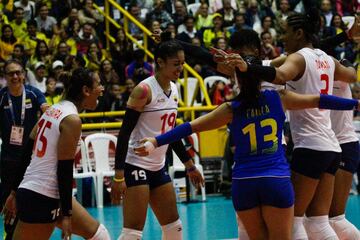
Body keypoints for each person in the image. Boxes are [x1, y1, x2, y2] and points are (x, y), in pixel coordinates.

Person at [135, 55, 360, 240]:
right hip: (275, 179)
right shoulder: (278, 98)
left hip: (244, 183)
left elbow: (188, 127)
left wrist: (155, 141)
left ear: (238, 80)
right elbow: (320, 100)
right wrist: (354, 104)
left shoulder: (230, 108)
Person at [228, 9, 357, 240]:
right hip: (331, 147)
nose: (282, 38)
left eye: (285, 33)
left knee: (295, 221)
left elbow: (279, 76)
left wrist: (249, 68)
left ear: (298, 33)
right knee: (318, 222)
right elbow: (350, 76)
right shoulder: (327, 58)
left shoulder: (297, 58)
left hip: (309, 145)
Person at [111, 39, 204, 240]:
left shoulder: (175, 89)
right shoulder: (144, 90)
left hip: (158, 166)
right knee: (133, 233)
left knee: (174, 228)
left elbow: (170, 135)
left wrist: (190, 165)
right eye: (176, 63)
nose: (181, 68)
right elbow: (124, 133)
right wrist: (119, 176)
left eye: (183, 63)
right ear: (160, 62)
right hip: (136, 165)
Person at [2, 68, 110, 240]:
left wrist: (14, 192)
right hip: (42, 196)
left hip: (41, 192)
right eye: (99, 84)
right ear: (86, 90)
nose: (102, 88)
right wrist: (67, 215)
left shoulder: (51, 111)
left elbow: (26, 154)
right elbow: (64, 169)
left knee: (100, 235)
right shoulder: (72, 120)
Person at [0, 59, 48, 240]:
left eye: (18, 72)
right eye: (10, 73)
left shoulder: (34, 94)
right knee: (10, 203)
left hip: (31, 159)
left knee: (30, 200)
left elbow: (47, 110)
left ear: (24, 74)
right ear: (5, 77)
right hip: (9, 160)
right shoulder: (2, 97)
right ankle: (9, 234)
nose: (15, 76)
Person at [329, 80, 360, 239]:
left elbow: (352, 74)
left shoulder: (341, 68)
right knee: (319, 217)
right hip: (325, 145)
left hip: (345, 144)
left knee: (335, 218)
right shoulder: (310, 77)